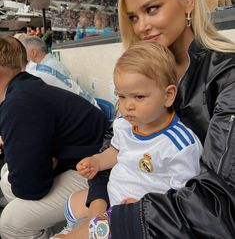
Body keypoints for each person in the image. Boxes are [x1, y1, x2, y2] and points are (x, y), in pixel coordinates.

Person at [65, 0, 235, 239]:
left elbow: (218, 205)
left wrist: (115, 223)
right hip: (127, 202)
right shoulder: (144, 69)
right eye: (133, 17)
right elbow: (117, 143)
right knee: (69, 213)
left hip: (171, 221)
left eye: (152, 9)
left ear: (188, 0)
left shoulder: (226, 76)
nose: (141, 26)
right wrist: (98, 204)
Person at [51, 42, 203, 239]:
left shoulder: (180, 145)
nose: (127, 106)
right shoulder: (124, 124)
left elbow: (183, 198)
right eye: (121, 96)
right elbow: (115, 151)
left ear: (168, 95)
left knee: (81, 234)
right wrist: (97, 161)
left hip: (137, 216)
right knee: (70, 206)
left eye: (139, 97)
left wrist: (149, 207)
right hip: (112, 195)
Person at [0, 34, 109, 239]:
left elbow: (31, 188)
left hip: (99, 169)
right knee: (7, 179)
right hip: (82, 160)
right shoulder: (24, 88)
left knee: (11, 223)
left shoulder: (19, 101)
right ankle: (47, 228)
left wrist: (37, 168)